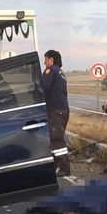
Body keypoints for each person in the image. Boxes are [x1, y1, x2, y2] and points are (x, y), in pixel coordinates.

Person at [41, 49, 71, 177]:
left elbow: (44, 87)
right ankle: (54, 165)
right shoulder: (61, 73)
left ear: (51, 60)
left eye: (46, 59)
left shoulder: (50, 70)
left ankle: (64, 168)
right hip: (63, 110)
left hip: (55, 111)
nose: (44, 62)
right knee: (54, 139)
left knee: (56, 139)